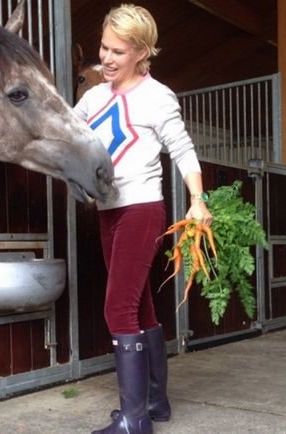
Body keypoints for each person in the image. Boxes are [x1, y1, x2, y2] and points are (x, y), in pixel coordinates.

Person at [73, 4, 213, 434]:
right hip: (108, 210)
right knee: (140, 304)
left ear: (140, 51)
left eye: (118, 51)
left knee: (118, 307)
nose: (107, 59)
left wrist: (197, 199)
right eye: (103, 48)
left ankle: (134, 421)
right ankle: (155, 402)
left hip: (142, 209)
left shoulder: (157, 96)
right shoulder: (94, 97)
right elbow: (66, 133)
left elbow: (183, 148)